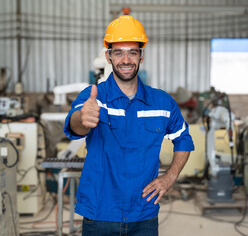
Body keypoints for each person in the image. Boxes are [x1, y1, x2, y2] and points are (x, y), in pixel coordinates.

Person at [64, 15, 194, 236]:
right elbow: (75, 125)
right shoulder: (93, 98)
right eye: (118, 52)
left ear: (141, 56)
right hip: (99, 214)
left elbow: (184, 139)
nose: (126, 59)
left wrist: (170, 177)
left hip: (143, 214)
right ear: (108, 56)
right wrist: (83, 119)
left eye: (132, 52)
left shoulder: (162, 103)